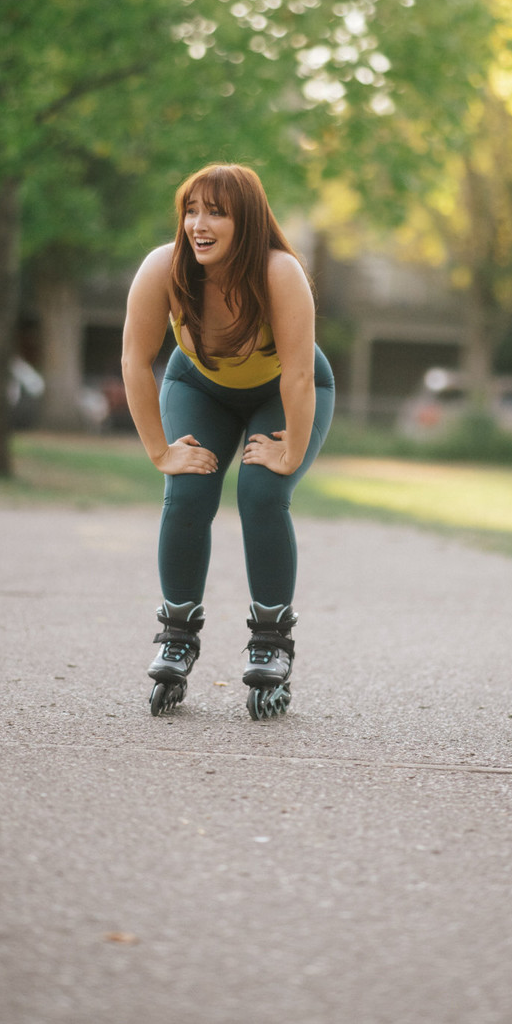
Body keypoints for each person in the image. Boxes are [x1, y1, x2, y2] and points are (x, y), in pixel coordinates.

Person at [121, 163, 336, 720]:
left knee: (262, 493)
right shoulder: (163, 268)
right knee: (188, 491)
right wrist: (160, 452)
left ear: (248, 221)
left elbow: (297, 376)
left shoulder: (279, 272)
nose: (199, 224)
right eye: (191, 211)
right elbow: (135, 361)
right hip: (199, 387)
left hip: (287, 390)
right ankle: (177, 635)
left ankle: (271, 642)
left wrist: (290, 452)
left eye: (216, 213)